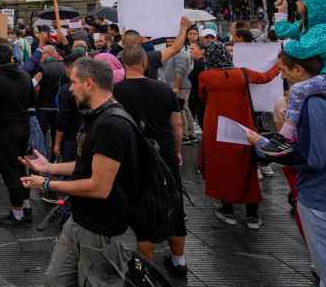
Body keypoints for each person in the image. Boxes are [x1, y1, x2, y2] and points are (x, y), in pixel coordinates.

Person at [21, 58, 141, 286]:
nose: (69, 88)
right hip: (79, 221)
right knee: (54, 281)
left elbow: (98, 187)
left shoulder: (110, 125)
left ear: (89, 84)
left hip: (103, 231)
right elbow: (86, 165)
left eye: (73, 81)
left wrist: (47, 184)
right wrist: (49, 168)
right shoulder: (95, 117)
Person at [245, 53, 326, 285]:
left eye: (284, 70)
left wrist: (260, 144)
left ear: (298, 70)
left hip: (318, 197)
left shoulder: (313, 103)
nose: (282, 75)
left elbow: (312, 156)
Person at [114, 46, 188, 277]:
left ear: (123, 64)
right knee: (173, 203)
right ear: (145, 62)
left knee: (144, 207)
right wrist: (176, 151)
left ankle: (145, 269)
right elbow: (177, 125)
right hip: (164, 151)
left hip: (135, 152)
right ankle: (179, 262)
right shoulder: (164, 89)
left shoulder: (115, 91)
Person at [198, 41, 279, 229]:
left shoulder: (205, 76)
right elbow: (265, 77)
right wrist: (278, 65)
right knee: (246, 165)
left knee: (220, 167)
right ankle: (252, 215)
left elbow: (202, 97)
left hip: (216, 128)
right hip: (242, 126)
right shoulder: (242, 73)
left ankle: (228, 210)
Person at [0, 44, 34, 228]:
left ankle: (18, 214)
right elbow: (31, 102)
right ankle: (26, 207)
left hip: (5, 130)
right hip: (24, 126)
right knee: (21, 167)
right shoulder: (25, 76)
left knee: (10, 171)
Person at [273, 0, 326, 143]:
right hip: (320, 76)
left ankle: (285, 136)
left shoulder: (322, 28)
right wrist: (282, 11)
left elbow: (303, 49)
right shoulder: (306, 25)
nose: (297, 2)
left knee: (297, 89)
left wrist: (284, 44)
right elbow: (283, 32)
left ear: (313, 3)